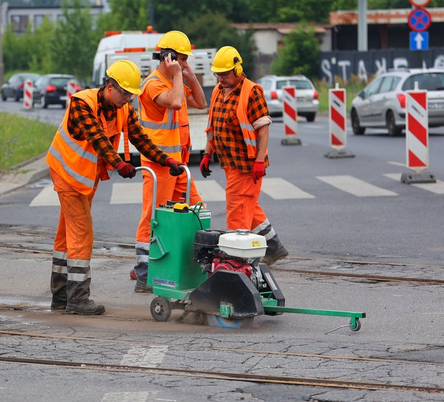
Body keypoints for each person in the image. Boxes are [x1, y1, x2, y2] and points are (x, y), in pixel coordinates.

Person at [46, 60, 183, 315]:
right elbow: (97, 138)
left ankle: (60, 295)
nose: (127, 98)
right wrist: (119, 164)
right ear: (109, 86)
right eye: (124, 92)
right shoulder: (82, 103)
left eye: (131, 94)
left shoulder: (124, 109)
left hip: (84, 177)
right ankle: (77, 298)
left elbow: (141, 138)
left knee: (67, 233)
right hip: (67, 172)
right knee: (81, 233)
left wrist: (165, 159)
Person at [132, 30, 207, 292]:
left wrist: (189, 76)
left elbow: (200, 101)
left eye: (186, 59)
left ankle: (194, 266)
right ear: (168, 57)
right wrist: (177, 75)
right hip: (157, 164)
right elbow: (175, 103)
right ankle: (143, 272)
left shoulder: (175, 80)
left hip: (176, 165)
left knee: (198, 210)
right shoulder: (154, 84)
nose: (185, 63)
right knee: (152, 218)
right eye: (182, 59)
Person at [200, 46, 288, 266]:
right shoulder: (218, 92)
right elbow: (212, 126)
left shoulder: (252, 92)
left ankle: (238, 261)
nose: (221, 78)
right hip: (230, 164)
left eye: (225, 74)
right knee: (249, 206)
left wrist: (259, 161)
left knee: (238, 213)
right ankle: (274, 246)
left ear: (238, 69)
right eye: (218, 74)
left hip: (247, 166)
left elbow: (263, 130)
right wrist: (206, 154)